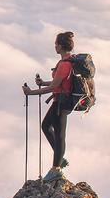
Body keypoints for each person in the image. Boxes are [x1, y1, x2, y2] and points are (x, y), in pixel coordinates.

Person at [23, 31, 76, 182]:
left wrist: (31, 92)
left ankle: (56, 169)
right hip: (61, 101)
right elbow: (58, 83)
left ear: (60, 46)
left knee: (59, 135)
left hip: (62, 102)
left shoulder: (64, 65)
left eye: (56, 44)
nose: (55, 46)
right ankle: (59, 159)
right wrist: (43, 83)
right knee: (46, 126)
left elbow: (54, 87)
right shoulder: (67, 61)